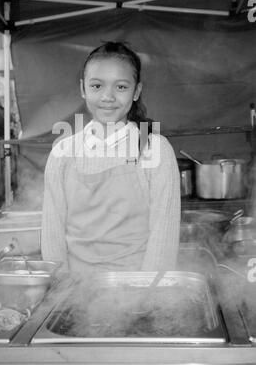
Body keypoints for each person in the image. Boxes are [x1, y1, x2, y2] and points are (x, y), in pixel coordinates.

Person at [41, 42, 180, 273]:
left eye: (121, 87)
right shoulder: (62, 153)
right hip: (76, 292)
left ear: (136, 91)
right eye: (96, 86)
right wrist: (60, 290)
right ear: (83, 89)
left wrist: (147, 296)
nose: (108, 97)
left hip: (137, 291)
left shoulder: (155, 149)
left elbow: (163, 237)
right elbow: (52, 232)